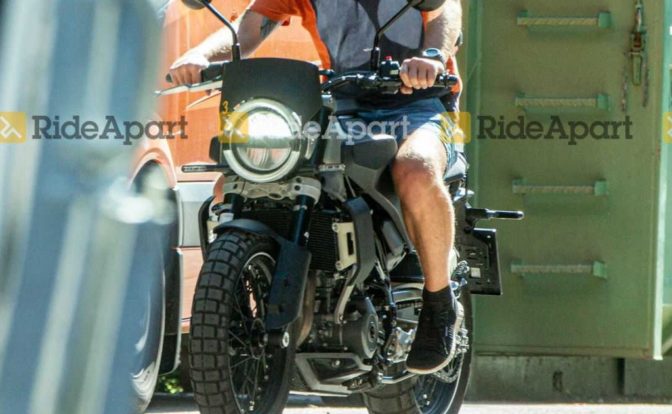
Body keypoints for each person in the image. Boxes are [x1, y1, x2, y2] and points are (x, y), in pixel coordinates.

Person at [169, 0, 464, 375]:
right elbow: (250, 26)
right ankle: (239, 295)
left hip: (420, 105)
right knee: (234, 182)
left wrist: (432, 56)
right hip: (342, 106)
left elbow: (445, 11)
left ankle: (439, 303)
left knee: (416, 169)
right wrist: (198, 56)